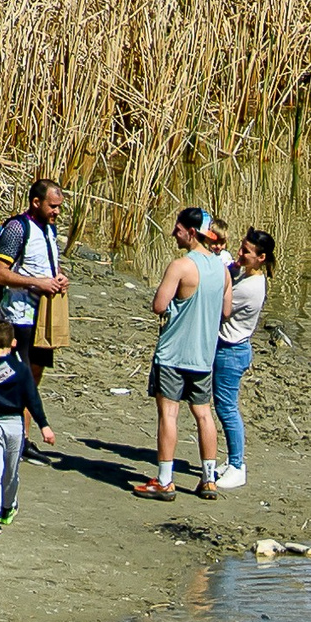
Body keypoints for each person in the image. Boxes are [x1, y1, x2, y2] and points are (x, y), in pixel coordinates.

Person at [131, 207, 226, 501]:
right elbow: (226, 311)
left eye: (178, 228)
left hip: (174, 353)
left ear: (192, 232)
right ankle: (208, 478)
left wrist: (175, 307)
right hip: (203, 355)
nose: (174, 233)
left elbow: (159, 305)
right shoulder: (221, 269)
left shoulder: (181, 266)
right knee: (204, 414)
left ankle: (165, 480)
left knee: (168, 414)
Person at [0, 321, 55, 534]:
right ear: (14, 343)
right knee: (11, 471)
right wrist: (44, 426)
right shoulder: (22, 371)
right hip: (14, 424)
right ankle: (8, 507)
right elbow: (32, 400)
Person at [0, 177, 69, 398]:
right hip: (18, 316)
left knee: (33, 378)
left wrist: (59, 277)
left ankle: (23, 433)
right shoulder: (17, 228)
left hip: (43, 316)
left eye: (59, 207)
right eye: (52, 206)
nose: (57, 212)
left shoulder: (50, 229)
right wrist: (38, 283)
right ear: (36, 202)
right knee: (14, 377)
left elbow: (48, 263)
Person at [214, 228, 273, 490]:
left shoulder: (250, 287)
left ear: (261, 257)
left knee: (227, 409)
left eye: (246, 252)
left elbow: (218, 305)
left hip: (232, 351)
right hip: (230, 349)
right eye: (241, 247)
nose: (240, 254)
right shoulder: (245, 276)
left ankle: (237, 465)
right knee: (224, 406)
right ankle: (231, 461)